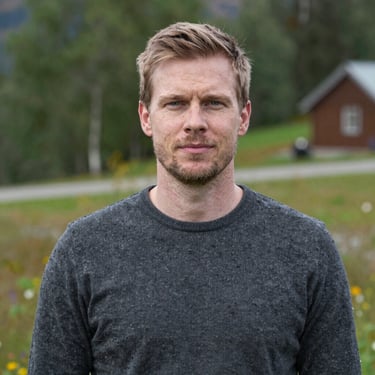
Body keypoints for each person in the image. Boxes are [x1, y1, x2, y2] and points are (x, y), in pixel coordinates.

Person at [28, 22, 361, 374]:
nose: (195, 122)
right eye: (175, 103)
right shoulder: (83, 250)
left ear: (244, 116)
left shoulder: (307, 248)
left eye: (214, 103)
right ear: (146, 117)